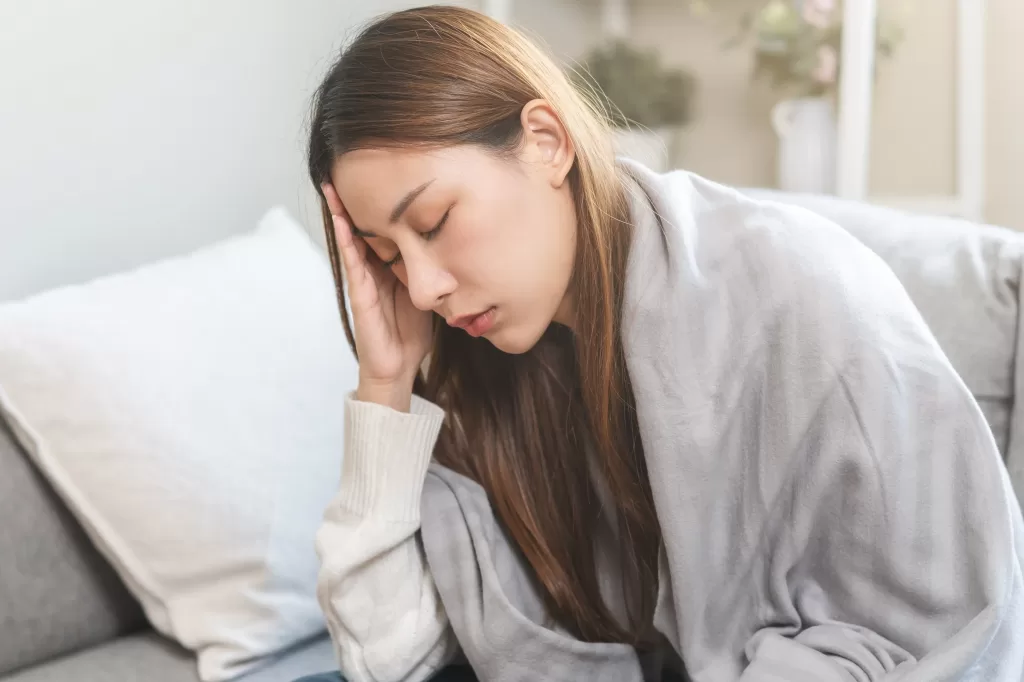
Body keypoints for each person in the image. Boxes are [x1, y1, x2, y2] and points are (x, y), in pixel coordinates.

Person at [300, 6, 1024, 682]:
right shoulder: (491, 372)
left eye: (431, 222)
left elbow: (942, 627)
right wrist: (386, 384)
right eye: (387, 256)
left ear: (546, 144)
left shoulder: (793, 288)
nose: (422, 288)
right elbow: (387, 661)